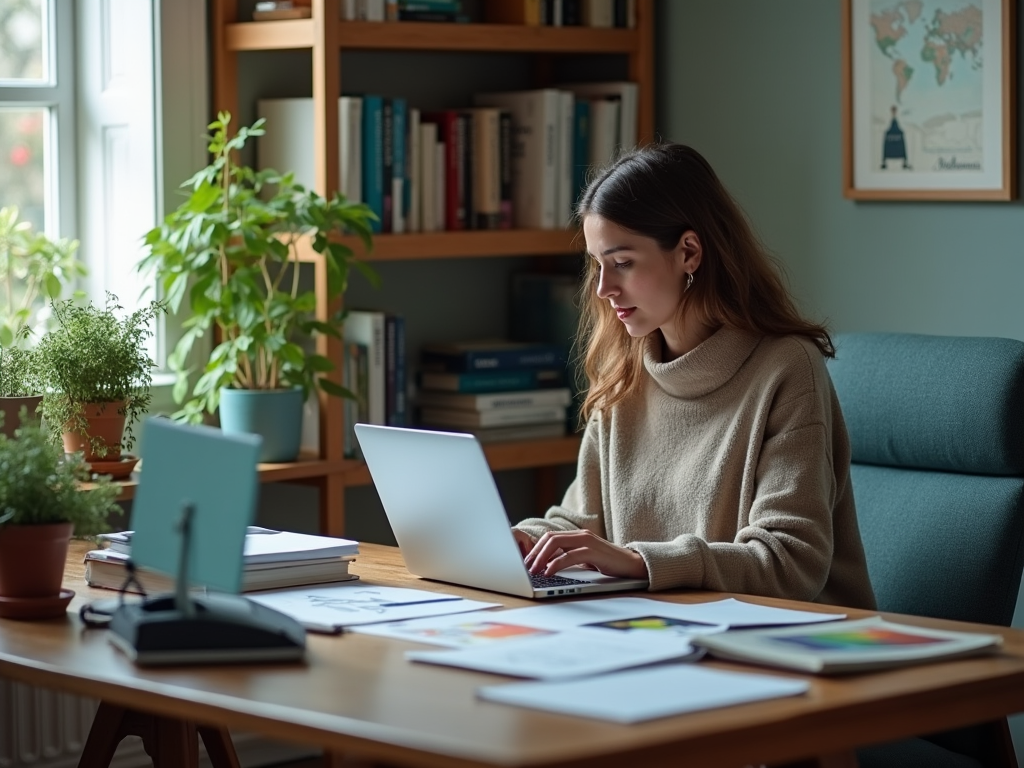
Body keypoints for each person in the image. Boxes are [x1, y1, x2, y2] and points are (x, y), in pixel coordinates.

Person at [512, 143, 876, 610]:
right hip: (665, 631)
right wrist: (524, 540)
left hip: (796, 643)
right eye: (597, 265)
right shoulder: (625, 371)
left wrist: (641, 563)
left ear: (688, 252)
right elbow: (581, 520)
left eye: (622, 262)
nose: (604, 289)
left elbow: (790, 562)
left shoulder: (786, 369)